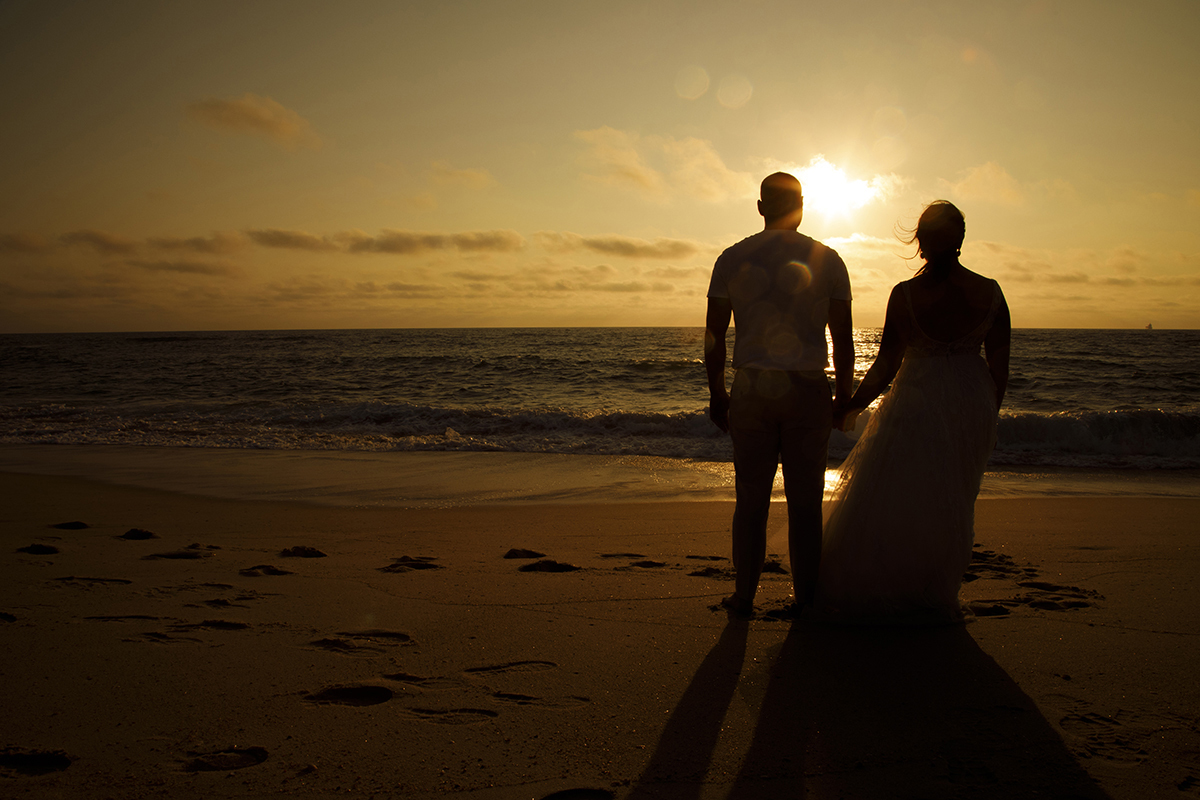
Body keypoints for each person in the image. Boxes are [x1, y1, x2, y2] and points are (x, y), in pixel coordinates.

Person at [817, 200, 1010, 624]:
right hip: (970, 400)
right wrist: (988, 418)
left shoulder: (905, 295)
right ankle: (938, 589)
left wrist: (852, 404)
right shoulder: (990, 291)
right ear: (960, 238)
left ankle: (897, 582)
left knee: (904, 491)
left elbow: (887, 362)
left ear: (920, 241)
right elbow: (999, 367)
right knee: (954, 498)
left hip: (918, 397)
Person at [705, 172, 854, 616]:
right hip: (807, 386)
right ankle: (805, 599)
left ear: (759, 206)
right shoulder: (828, 259)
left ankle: (744, 596)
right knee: (805, 501)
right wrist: (843, 398)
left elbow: (714, 336)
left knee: (750, 496)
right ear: (802, 205)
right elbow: (843, 343)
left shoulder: (732, 258)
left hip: (752, 385)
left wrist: (718, 393)